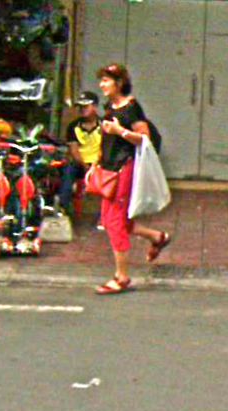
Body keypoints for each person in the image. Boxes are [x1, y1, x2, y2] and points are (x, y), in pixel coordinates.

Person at [89, 63, 170, 295]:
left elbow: (144, 138)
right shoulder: (110, 107)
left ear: (119, 83)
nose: (102, 85)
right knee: (111, 218)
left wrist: (120, 132)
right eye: (102, 80)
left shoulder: (131, 108)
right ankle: (157, 237)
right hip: (109, 167)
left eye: (106, 80)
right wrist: (95, 164)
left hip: (124, 167)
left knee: (114, 221)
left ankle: (122, 276)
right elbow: (106, 140)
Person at [60, 91, 102, 220]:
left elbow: (107, 148)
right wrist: (85, 166)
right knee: (67, 173)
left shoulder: (104, 125)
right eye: (80, 107)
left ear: (95, 107)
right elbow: (74, 150)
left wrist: (96, 165)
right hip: (80, 163)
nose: (82, 109)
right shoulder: (73, 127)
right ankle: (63, 210)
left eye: (86, 106)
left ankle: (105, 216)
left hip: (99, 163)